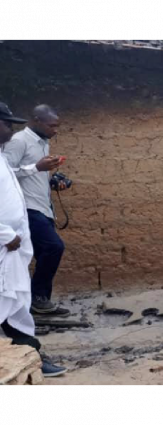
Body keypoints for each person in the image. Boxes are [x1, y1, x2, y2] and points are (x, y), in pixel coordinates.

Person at [0, 102, 67, 377]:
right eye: (6, 124)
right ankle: (31, 353)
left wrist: (49, 177)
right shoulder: (18, 143)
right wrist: (5, 234)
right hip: (9, 237)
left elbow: (11, 185)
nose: (11, 129)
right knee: (12, 303)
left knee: (15, 302)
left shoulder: (4, 156)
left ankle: (30, 352)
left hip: (16, 238)